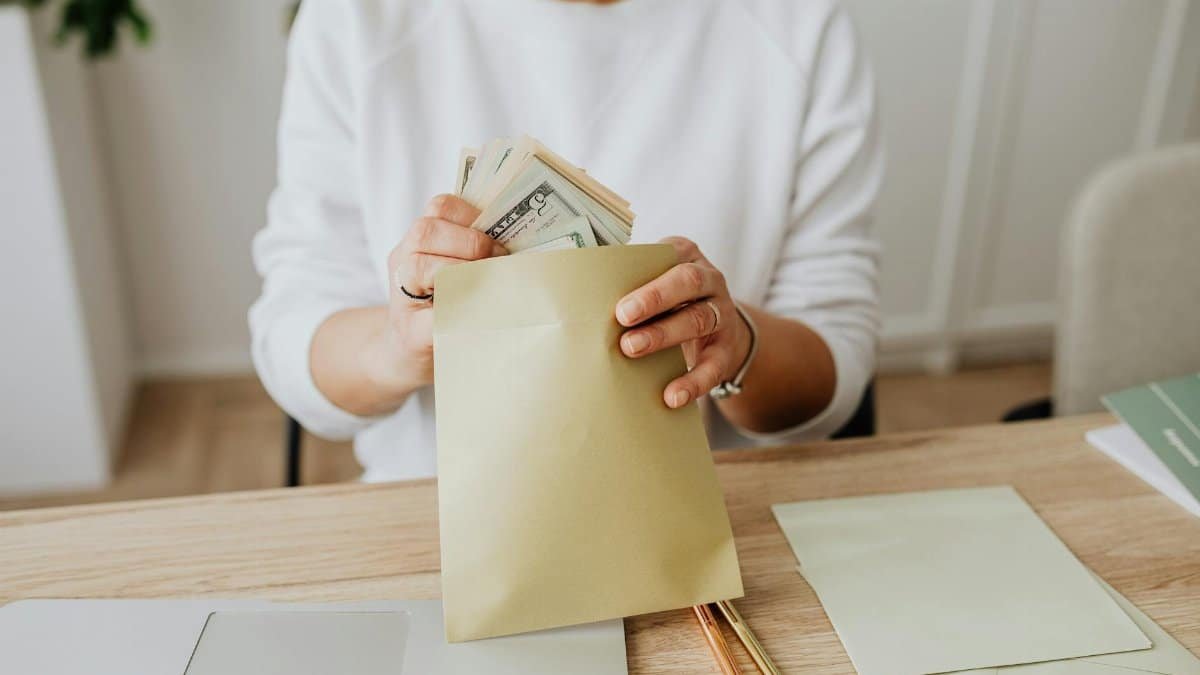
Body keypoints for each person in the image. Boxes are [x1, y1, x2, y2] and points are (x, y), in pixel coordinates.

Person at [251, 0, 883, 482]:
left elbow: (837, 361)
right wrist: (398, 348)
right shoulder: (356, 20)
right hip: (436, 521)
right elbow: (294, 335)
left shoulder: (797, 24)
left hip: (719, 518)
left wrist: (737, 346)